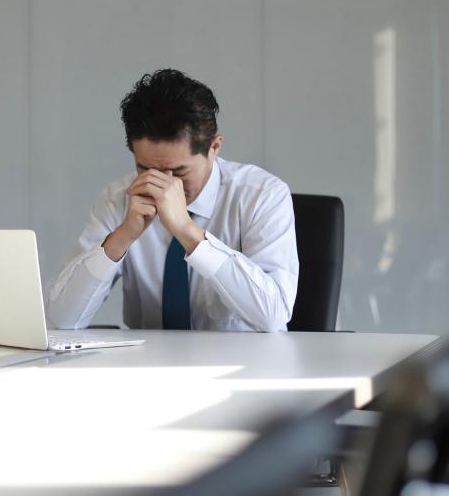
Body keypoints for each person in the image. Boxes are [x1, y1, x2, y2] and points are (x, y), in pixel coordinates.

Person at [45, 69, 298, 332]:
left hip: (245, 367)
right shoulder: (118, 199)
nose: (164, 185)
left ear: (214, 148)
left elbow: (274, 315)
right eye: (145, 168)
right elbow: (58, 320)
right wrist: (121, 238)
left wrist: (188, 232)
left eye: (178, 172)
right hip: (148, 366)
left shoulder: (261, 195)